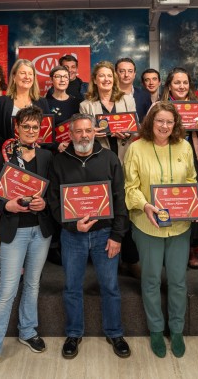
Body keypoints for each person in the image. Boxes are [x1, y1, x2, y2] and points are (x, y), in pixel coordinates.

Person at [0, 106, 54, 377]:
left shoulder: (46, 156)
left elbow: (53, 193)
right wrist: (8, 206)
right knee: (7, 290)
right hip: (13, 231)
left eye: (35, 127)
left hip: (40, 231)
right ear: (16, 128)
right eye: (25, 126)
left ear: (40, 129)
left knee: (32, 284)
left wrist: (45, 203)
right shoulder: (4, 155)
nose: (30, 130)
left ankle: (27, 331)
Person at [47, 113, 131, 360]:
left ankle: (115, 333)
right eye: (79, 131)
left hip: (105, 235)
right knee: (72, 287)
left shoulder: (110, 158)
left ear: (95, 132)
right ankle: (73, 333)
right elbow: (53, 201)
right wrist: (72, 225)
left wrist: (117, 235)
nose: (84, 135)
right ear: (70, 134)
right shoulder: (59, 161)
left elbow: (120, 198)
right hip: (72, 236)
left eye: (88, 131)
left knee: (110, 286)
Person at [123, 102, 197, 359]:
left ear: (175, 124)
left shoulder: (184, 147)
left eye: (169, 122)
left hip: (179, 226)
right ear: (150, 122)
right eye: (159, 121)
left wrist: (192, 203)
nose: (164, 126)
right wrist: (144, 206)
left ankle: (176, 329)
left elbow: (191, 180)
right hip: (147, 225)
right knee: (151, 279)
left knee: (178, 280)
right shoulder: (136, 148)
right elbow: (130, 187)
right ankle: (156, 329)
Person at [161, 67, 198, 268]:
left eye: (185, 82)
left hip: (192, 158)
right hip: (164, 160)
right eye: (177, 82)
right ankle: (166, 246)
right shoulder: (159, 106)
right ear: (169, 86)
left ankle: (192, 248)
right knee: (168, 199)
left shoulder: (197, 105)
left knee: (191, 201)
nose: (181, 86)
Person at [0, 59, 50, 152]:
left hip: (36, 155)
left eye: (30, 74)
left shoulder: (42, 102)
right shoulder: (1, 102)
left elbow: (47, 132)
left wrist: (41, 146)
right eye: (23, 73)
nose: (27, 77)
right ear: (14, 76)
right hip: (9, 155)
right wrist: (10, 146)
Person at [79, 61, 137, 162]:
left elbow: (135, 130)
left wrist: (128, 133)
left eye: (110, 76)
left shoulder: (128, 100)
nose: (106, 79)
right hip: (99, 157)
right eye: (102, 76)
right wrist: (91, 133)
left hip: (126, 156)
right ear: (95, 80)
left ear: (114, 79)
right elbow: (82, 135)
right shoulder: (85, 106)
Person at [45, 65, 82, 130]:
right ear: (51, 79)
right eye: (58, 76)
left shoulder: (77, 103)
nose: (62, 80)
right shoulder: (45, 103)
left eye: (65, 77)